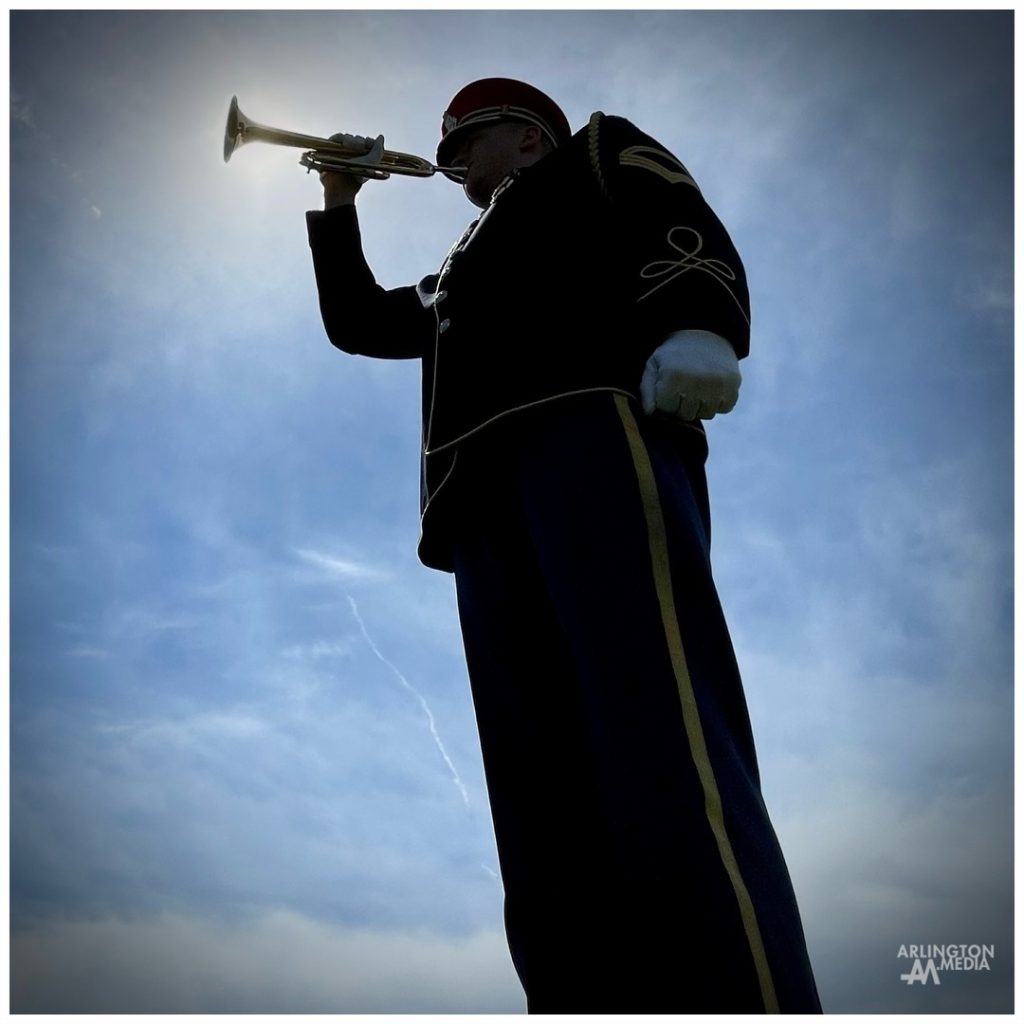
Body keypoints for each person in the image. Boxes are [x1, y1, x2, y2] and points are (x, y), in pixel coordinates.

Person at [306, 78, 821, 1014]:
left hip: (590, 437)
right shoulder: (454, 272)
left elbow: (671, 207)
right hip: (478, 507)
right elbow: (361, 323)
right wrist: (339, 200)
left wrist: (700, 320)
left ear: (530, 140)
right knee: (539, 809)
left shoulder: (592, 155)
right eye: (448, 145)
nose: (451, 158)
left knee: (658, 735)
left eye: (468, 140)